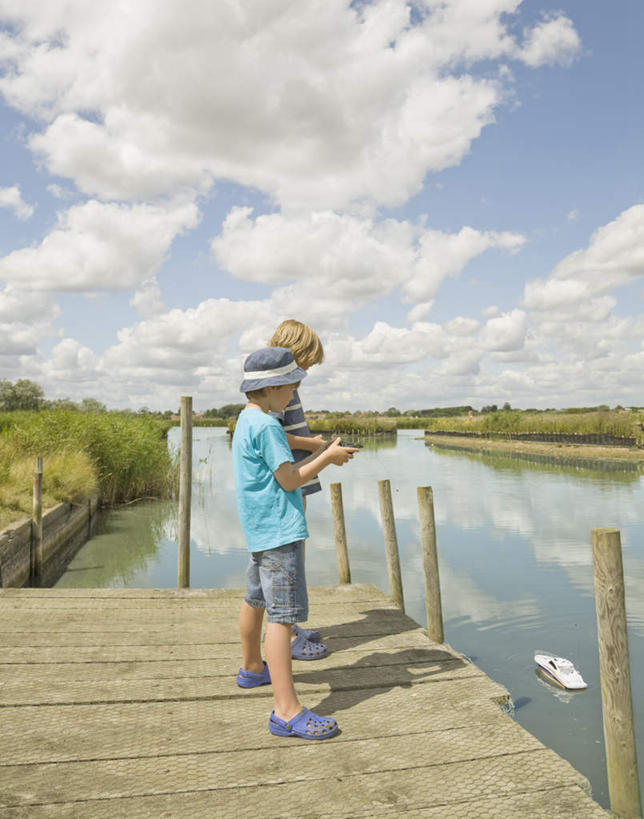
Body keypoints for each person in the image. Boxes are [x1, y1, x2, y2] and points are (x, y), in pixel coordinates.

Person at [232, 346, 357, 739]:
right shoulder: (269, 427)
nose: (293, 395)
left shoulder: (247, 419)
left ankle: (252, 668)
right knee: (282, 620)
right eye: (290, 387)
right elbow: (288, 480)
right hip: (282, 533)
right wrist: (328, 458)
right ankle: (286, 710)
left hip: (259, 530)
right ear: (271, 389)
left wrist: (313, 446)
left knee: (256, 599)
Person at [268, 319, 328, 657]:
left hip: (295, 475)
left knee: (295, 551)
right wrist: (314, 443)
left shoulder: (284, 387)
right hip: (288, 476)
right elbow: (273, 434)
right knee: (288, 556)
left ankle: (288, 627)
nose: (306, 371)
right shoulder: (278, 389)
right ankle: (287, 636)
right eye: (305, 362)